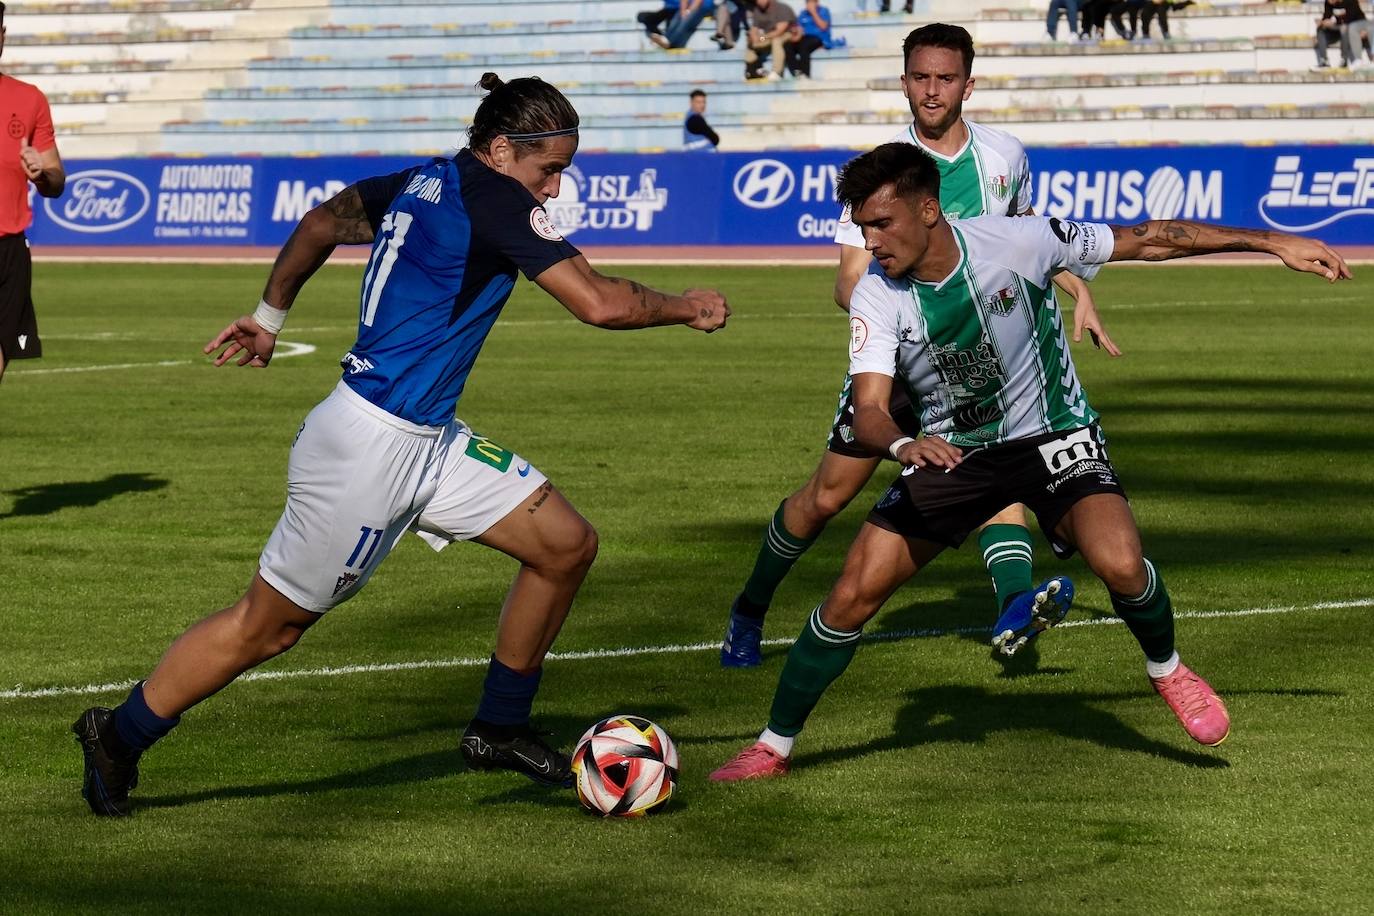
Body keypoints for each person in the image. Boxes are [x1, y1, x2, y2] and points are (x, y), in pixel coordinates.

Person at [70, 73, 731, 817]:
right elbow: (602, 304)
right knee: (268, 627)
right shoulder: (495, 197)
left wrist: (268, 316)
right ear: (504, 149)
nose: (551, 190)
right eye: (550, 170)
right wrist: (688, 307)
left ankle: (497, 728)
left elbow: (322, 221)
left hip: (431, 439)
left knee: (565, 545)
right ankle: (117, 735)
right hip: (367, 449)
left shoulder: (424, 179)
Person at [710, 142, 1352, 782]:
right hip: (955, 454)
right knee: (850, 596)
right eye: (863, 227)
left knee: (1122, 564)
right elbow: (871, 410)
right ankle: (772, 746)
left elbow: (1151, 239)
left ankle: (1169, 672)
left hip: (1054, 437)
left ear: (928, 209)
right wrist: (905, 446)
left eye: (882, 224)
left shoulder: (1019, 241)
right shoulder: (878, 296)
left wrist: (1270, 241)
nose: (870, 242)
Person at [721, 23, 1116, 670]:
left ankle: (1016, 605)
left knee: (993, 470)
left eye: (946, 78)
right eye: (920, 78)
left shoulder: (1005, 158)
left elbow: (1023, 242)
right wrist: (910, 322)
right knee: (826, 497)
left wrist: (1079, 291)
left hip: (983, 364)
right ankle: (750, 607)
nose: (932, 91)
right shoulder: (879, 172)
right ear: (904, 81)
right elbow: (850, 283)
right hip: (901, 367)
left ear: (968, 82)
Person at [0, 1, 65, 385]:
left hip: (9, 251)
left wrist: (41, 175)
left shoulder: (30, 99)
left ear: (2, 38)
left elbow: (57, 179)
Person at [788, 0, 843, 79]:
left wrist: (814, 13)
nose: (809, 4)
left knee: (804, 47)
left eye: (811, 2)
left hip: (819, 38)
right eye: (807, 2)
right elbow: (799, 28)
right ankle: (796, 72)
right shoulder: (803, 13)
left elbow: (823, 26)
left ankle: (806, 74)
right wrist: (795, 34)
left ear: (817, 3)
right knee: (788, 46)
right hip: (804, 37)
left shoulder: (823, 11)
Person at [744, 0, 797, 81]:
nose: (760, 2)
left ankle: (776, 72)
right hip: (768, 36)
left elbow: (780, 31)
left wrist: (763, 37)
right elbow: (754, 28)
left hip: (786, 34)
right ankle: (750, 70)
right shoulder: (757, 10)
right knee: (751, 43)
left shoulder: (782, 8)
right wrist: (754, 37)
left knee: (776, 41)